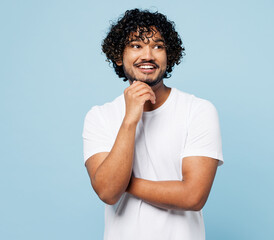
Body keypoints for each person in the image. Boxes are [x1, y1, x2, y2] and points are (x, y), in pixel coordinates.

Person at [82, 8, 223, 240]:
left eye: (158, 46)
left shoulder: (198, 110)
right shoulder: (100, 116)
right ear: (119, 56)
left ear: (169, 56)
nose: (148, 55)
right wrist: (130, 120)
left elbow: (193, 196)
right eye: (136, 45)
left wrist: (122, 182)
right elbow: (108, 193)